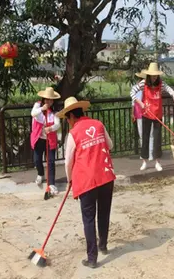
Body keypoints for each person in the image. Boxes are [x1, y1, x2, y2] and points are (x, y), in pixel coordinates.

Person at [57, 97, 116, 268]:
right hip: (105, 176)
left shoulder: (73, 134)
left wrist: (70, 180)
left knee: (88, 219)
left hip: (86, 180)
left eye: (67, 120)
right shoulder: (98, 124)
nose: (68, 123)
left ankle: (92, 258)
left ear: (71, 117)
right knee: (104, 212)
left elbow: (68, 162)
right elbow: (110, 145)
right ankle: (103, 244)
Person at [130, 62, 174, 172]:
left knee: (157, 139)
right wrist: (140, 103)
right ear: (149, 75)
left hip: (157, 115)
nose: (154, 77)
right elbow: (132, 92)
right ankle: (144, 161)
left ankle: (157, 162)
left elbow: (169, 89)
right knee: (145, 138)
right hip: (146, 114)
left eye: (156, 75)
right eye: (152, 75)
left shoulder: (161, 84)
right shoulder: (143, 84)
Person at [30, 87, 61, 195]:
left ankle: (51, 183)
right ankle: (40, 173)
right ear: (43, 99)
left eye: (51, 100)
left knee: (51, 161)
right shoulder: (38, 105)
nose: (49, 102)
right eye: (47, 99)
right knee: (37, 160)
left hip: (49, 139)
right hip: (39, 139)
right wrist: (42, 109)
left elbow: (57, 124)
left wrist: (51, 128)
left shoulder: (55, 112)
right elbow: (33, 114)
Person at [132, 69, 154, 160]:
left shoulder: (148, 88)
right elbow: (133, 102)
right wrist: (133, 113)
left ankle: (149, 153)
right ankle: (146, 153)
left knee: (147, 134)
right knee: (145, 134)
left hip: (146, 113)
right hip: (141, 113)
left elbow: (133, 103)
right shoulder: (137, 88)